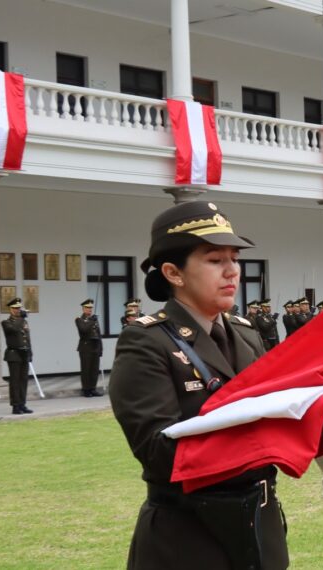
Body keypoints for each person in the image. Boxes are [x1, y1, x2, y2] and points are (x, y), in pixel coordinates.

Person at [108, 201, 289, 569]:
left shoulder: (245, 333)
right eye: (214, 260)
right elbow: (157, 452)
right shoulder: (146, 341)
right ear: (174, 273)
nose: (232, 271)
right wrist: (261, 439)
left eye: (234, 258)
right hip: (189, 536)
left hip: (259, 522)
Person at [2, 297, 33, 415]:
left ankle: (22, 404)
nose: (17, 310)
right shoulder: (6, 323)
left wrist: (30, 353)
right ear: (10, 309)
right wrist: (22, 318)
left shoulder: (23, 322)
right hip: (14, 354)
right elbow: (14, 330)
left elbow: (27, 339)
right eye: (15, 308)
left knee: (23, 380)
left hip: (24, 354)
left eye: (19, 308)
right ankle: (15, 405)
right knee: (15, 381)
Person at [75, 298, 104, 397]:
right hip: (85, 347)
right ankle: (86, 389)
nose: (89, 310)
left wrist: (101, 348)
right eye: (87, 308)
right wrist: (92, 320)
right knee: (86, 369)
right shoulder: (79, 319)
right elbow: (84, 330)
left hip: (95, 347)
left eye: (91, 308)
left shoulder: (93, 320)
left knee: (94, 369)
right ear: (83, 309)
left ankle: (93, 388)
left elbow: (98, 335)